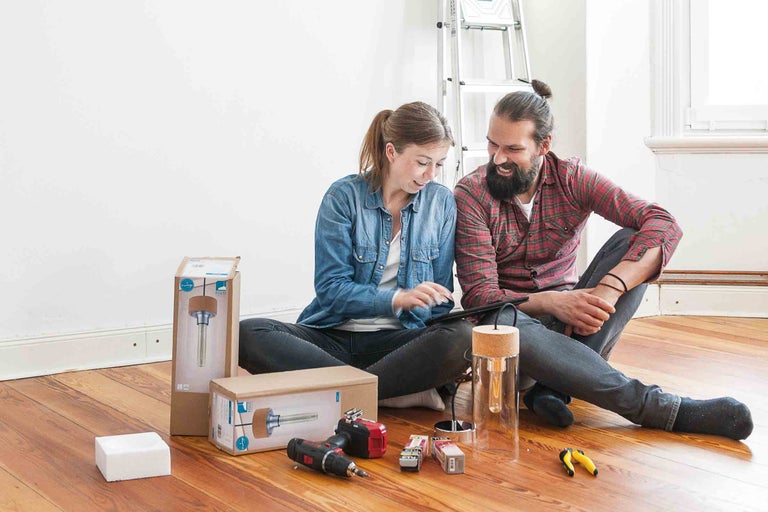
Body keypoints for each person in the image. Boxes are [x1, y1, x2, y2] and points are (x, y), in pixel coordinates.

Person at [453, 80, 753, 440]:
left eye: (513, 148)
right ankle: (661, 408)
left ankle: (552, 390)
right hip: (512, 342)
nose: (498, 158)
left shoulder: (572, 177)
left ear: (544, 146)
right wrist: (554, 302)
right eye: (492, 144)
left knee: (634, 242)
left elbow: (662, 223)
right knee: (504, 318)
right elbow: (480, 297)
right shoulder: (470, 194)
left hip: (574, 329)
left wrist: (610, 288)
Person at [239, 101, 473, 410]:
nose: (431, 174)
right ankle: (389, 392)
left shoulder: (441, 202)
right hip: (330, 339)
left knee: (462, 336)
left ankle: (344, 392)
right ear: (392, 152)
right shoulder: (343, 197)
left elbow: (439, 299)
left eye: (439, 164)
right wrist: (396, 298)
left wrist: (440, 337)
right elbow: (330, 290)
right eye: (422, 162)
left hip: (398, 344)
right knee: (247, 333)